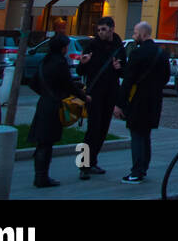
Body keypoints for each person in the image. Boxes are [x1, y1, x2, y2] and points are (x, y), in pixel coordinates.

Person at [28, 33, 89, 188]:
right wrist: (83, 97)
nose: (67, 49)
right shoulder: (60, 63)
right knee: (47, 142)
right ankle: (41, 177)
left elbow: (33, 82)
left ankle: (39, 175)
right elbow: (68, 84)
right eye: (66, 46)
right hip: (54, 105)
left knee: (42, 142)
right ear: (62, 48)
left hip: (44, 103)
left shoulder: (45, 61)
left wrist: (45, 93)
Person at [114, 21, 170, 184]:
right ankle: (143, 168)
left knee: (137, 135)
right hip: (154, 100)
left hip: (138, 99)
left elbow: (129, 80)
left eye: (135, 33)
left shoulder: (137, 54)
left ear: (143, 34)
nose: (133, 35)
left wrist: (119, 104)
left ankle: (136, 171)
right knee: (146, 135)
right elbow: (165, 77)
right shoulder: (161, 54)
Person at [77, 16, 126, 179]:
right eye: (98, 30)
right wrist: (83, 63)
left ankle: (93, 161)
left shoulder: (119, 47)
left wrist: (119, 68)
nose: (100, 32)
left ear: (112, 29)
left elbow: (123, 71)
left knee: (103, 130)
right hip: (93, 94)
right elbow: (80, 71)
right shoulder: (91, 46)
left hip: (111, 93)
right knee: (92, 129)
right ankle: (83, 165)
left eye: (103, 29)